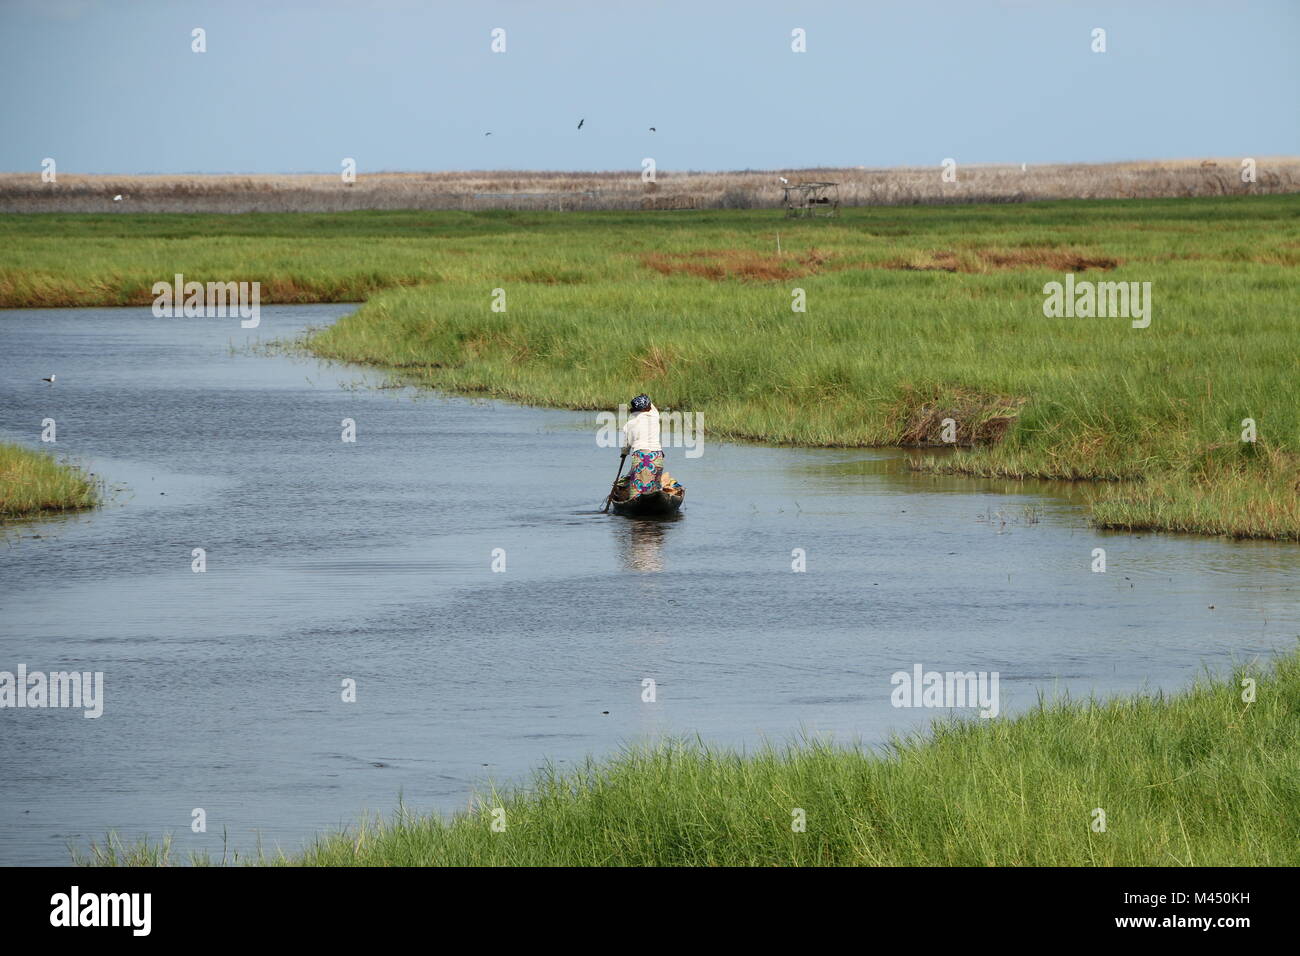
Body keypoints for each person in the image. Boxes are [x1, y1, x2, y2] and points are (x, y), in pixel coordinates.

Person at [620, 394, 663, 498]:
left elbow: (626, 446)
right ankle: (654, 502)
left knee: (637, 490)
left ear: (633, 410)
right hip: (657, 457)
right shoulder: (654, 416)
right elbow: (651, 407)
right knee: (654, 485)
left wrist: (624, 453)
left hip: (641, 457)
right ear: (648, 408)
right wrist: (646, 398)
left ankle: (636, 501)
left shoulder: (628, 425)